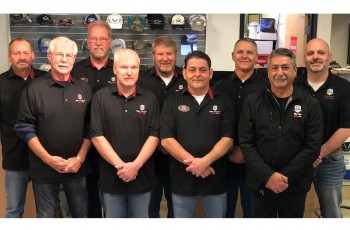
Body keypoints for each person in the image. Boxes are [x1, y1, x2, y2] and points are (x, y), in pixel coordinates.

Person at [239, 48, 323, 218]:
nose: (280, 73)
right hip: (261, 183)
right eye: (274, 68)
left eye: (285, 67)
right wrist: (269, 176)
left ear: (295, 71)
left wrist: (284, 177)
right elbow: (246, 144)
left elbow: (312, 147)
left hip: (295, 184)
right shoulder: (252, 102)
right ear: (267, 72)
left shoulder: (310, 104)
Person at [14, 36, 93, 218]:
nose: (64, 60)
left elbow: (91, 127)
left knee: (81, 215)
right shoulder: (34, 89)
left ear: (74, 59)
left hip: (76, 169)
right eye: (59, 54)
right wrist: (48, 159)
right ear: (49, 57)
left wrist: (79, 159)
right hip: (43, 170)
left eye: (69, 56)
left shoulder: (84, 89)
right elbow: (24, 127)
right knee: (47, 217)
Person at [160, 51, 234, 218]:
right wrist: (196, 164)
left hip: (215, 177)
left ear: (211, 73)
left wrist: (205, 162)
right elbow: (166, 140)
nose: (197, 74)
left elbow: (227, 139)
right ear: (184, 73)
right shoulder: (172, 102)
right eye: (192, 70)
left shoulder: (224, 101)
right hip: (182, 178)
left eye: (202, 69)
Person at [91, 49, 159, 218]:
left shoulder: (150, 98)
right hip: (111, 177)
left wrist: (135, 166)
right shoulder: (101, 97)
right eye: (124, 67)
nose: (129, 72)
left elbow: (155, 135)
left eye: (134, 67)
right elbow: (97, 136)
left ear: (139, 70)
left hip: (142, 177)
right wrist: (121, 166)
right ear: (114, 69)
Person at [294, 38, 350, 218]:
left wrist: (319, 153)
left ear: (329, 57)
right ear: (304, 58)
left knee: (332, 212)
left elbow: (346, 127)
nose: (315, 57)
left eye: (321, 53)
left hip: (330, 161)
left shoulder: (344, 88)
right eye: (310, 53)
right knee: (291, 210)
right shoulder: (293, 86)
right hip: (297, 158)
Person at [214, 37, 269, 218]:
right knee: (224, 212)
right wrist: (228, 150)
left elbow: (268, 127)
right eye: (240, 52)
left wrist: (245, 152)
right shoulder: (218, 87)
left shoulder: (267, 88)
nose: (244, 56)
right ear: (233, 56)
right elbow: (213, 124)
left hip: (254, 163)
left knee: (252, 212)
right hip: (223, 161)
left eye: (249, 52)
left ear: (257, 57)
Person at [138, 35, 186, 218]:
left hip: (180, 156)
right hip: (149, 156)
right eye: (160, 54)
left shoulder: (187, 79)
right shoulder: (141, 80)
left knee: (178, 206)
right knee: (150, 206)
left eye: (169, 54)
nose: (165, 58)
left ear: (176, 55)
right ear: (153, 55)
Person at [71, 20, 114, 218]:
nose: (98, 43)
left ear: (110, 42)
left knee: (114, 201)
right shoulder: (75, 70)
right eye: (94, 39)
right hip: (83, 147)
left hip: (114, 146)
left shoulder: (120, 70)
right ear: (87, 42)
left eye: (103, 39)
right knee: (89, 203)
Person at [0, 37, 45, 218]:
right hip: (15, 158)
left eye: (26, 52)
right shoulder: (0, 83)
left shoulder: (45, 81)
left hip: (45, 157)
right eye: (17, 53)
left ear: (33, 56)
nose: (22, 57)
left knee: (48, 209)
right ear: (9, 57)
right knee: (14, 209)